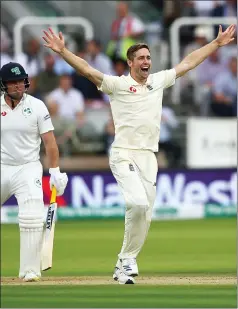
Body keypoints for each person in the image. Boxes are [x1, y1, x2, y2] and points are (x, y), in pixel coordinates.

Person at [42, 24, 236, 284]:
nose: (147, 61)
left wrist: (216, 44)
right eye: (141, 58)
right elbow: (87, 70)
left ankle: (124, 262)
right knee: (138, 203)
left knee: (146, 213)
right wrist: (63, 51)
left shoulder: (157, 81)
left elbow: (188, 63)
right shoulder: (117, 85)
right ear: (130, 63)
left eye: (148, 57)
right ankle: (127, 260)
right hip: (123, 153)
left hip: (149, 156)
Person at [0, 62, 68, 282]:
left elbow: (49, 143)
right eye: (13, 82)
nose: (18, 85)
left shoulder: (37, 106)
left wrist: (55, 171)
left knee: (31, 217)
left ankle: (29, 270)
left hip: (28, 167)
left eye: (21, 81)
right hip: (1, 166)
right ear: (4, 85)